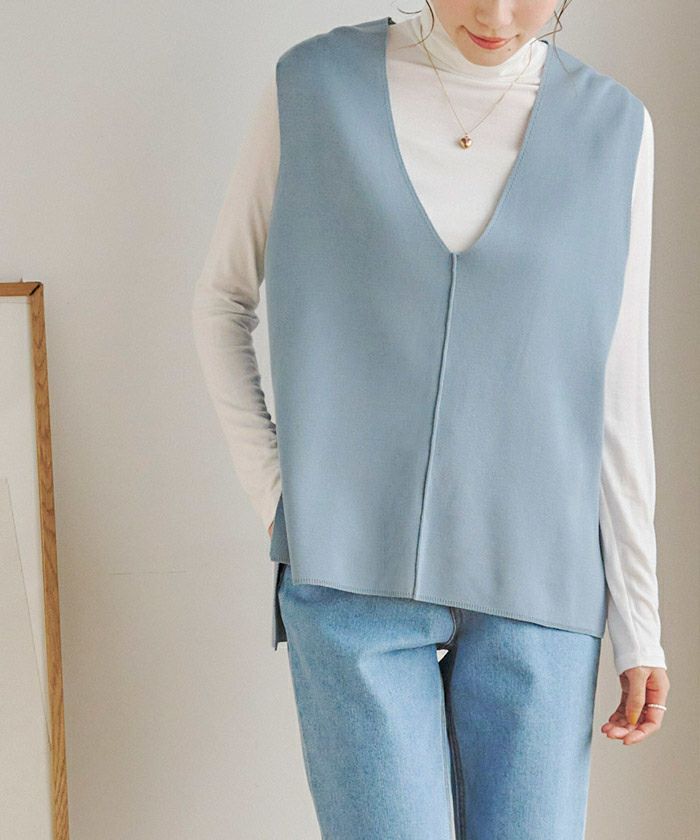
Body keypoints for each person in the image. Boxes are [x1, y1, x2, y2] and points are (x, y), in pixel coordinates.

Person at [192, 2, 671, 837]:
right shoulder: (313, 87)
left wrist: (641, 626)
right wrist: (280, 497)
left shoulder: (615, 129)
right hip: (352, 575)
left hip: (541, 580)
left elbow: (617, 386)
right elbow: (221, 302)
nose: (496, 14)